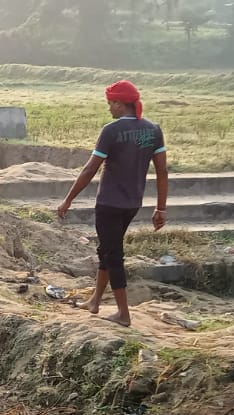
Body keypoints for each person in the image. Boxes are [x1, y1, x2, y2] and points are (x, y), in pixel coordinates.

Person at [56, 80, 169, 328]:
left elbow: (89, 169)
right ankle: (95, 301)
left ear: (119, 103)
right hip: (132, 203)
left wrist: (68, 199)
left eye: (110, 103)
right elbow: (162, 171)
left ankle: (123, 314)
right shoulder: (153, 129)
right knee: (107, 249)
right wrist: (161, 208)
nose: (109, 108)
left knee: (113, 255)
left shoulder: (111, 130)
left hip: (109, 203)